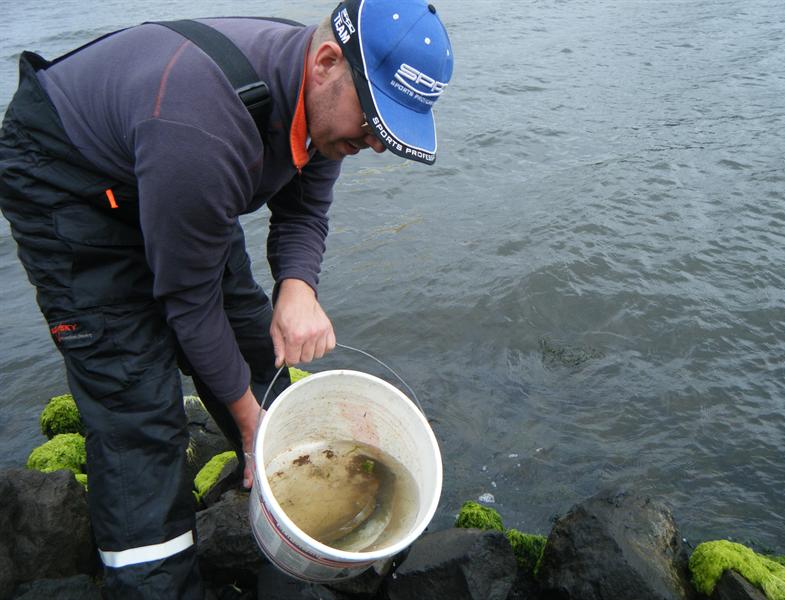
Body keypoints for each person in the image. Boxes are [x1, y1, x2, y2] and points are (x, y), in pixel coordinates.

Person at [0, 0, 453, 596]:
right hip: (67, 180)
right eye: (373, 120)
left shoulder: (321, 103)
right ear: (325, 63)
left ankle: (295, 514)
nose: (374, 143)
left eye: (387, 131)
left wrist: (297, 286)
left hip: (167, 173)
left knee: (254, 343)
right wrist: (246, 422)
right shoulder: (204, 128)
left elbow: (304, 208)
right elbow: (188, 301)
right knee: (138, 410)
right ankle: (156, 581)